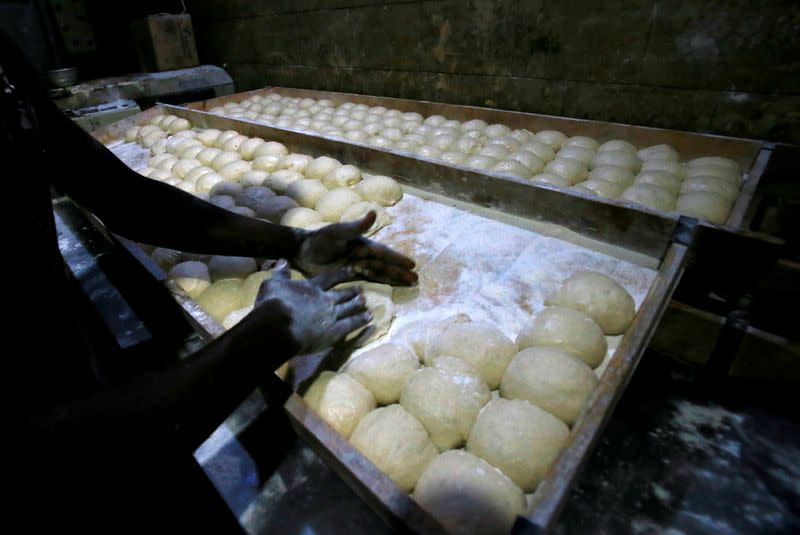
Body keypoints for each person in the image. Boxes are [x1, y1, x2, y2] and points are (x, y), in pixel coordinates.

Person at [3, 31, 417, 532]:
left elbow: (119, 194)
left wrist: (293, 243)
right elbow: (50, 451)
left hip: (73, 358)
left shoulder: (4, 59)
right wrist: (266, 335)